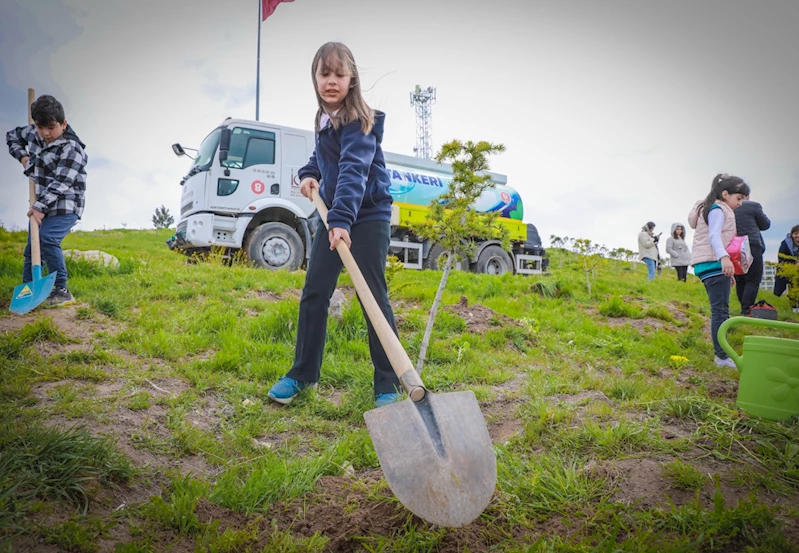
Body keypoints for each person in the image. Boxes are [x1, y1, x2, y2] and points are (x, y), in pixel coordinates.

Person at [266, 42, 400, 407]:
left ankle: (388, 383)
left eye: (339, 74)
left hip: (368, 216)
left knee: (372, 297)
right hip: (334, 217)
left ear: (351, 79)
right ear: (314, 78)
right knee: (315, 292)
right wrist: (310, 173)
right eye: (324, 73)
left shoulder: (359, 120)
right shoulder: (324, 119)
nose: (331, 81)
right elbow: (324, 158)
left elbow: (353, 170)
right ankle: (302, 374)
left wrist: (341, 220)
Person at [6, 94, 87, 307]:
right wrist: (23, 157)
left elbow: (62, 182)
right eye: (40, 127)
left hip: (66, 203)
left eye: (51, 128)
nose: (46, 133)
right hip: (41, 203)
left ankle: (62, 290)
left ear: (63, 124)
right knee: (32, 248)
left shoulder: (72, 148)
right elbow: (12, 136)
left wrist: (40, 207)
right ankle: (28, 292)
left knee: (47, 238)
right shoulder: (34, 133)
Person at [688, 173, 750, 368]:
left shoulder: (713, 208)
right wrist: (724, 259)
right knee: (720, 312)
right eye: (738, 198)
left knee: (720, 311)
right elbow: (714, 237)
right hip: (713, 263)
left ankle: (721, 355)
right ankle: (721, 357)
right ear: (725, 194)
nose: (740, 203)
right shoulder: (718, 209)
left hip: (710, 266)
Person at [733, 195, 771, 315]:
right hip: (752, 244)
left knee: (740, 279)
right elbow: (766, 224)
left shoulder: (727, 207)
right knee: (753, 279)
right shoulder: (753, 205)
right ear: (746, 195)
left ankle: (744, 309)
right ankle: (746, 310)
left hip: (734, 246)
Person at [774, 224, 799, 313]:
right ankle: (790, 306)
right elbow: (781, 257)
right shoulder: (786, 243)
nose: (798, 236)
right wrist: (793, 265)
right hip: (787, 268)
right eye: (796, 233)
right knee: (787, 284)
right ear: (792, 234)